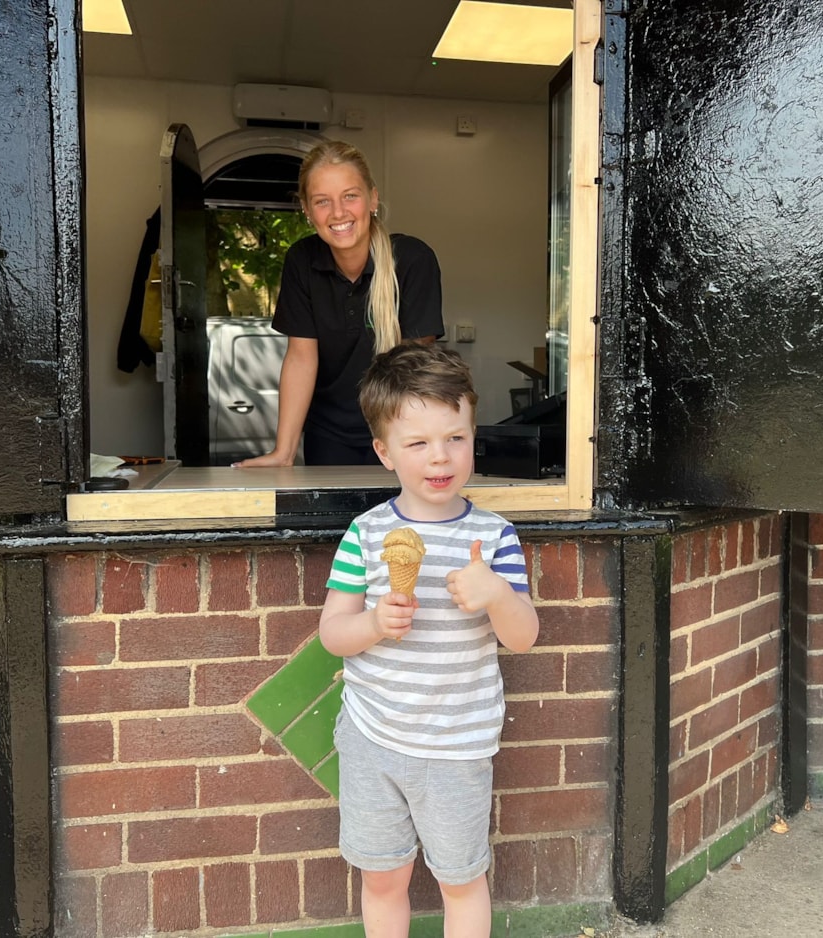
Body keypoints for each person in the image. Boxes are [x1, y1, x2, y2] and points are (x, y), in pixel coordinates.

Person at [319, 343, 540, 937]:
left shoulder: (494, 537)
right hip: (373, 740)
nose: (440, 457)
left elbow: (523, 638)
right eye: (417, 443)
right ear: (384, 452)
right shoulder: (365, 535)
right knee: (383, 878)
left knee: (460, 879)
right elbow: (332, 634)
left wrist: (495, 594)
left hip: (457, 747)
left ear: (473, 435)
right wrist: (372, 625)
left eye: (456, 438)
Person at [233, 141, 444, 467]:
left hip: (399, 431)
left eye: (350, 196)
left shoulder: (413, 260)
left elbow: (412, 367)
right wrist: (284, 452)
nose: (338, 213)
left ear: (372, 198)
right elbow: (301, 359)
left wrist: (407, 445)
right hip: (328, 435)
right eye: (322, 201)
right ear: (305, 208)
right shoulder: (302, 261)